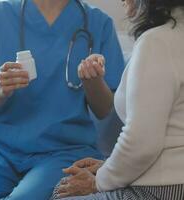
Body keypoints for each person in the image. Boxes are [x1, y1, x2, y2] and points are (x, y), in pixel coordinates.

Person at [0, 0, 124, 199]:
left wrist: (93, 80)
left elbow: (104, 110)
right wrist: (1, 90)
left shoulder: (99, 23)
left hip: (64, 151)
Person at [53, 0, 184, 199]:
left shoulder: (157, 42)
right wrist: (108, 165)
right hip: (167, 175)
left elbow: (142, 144)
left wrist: (99, 181)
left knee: (60, 193)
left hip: (163, 185)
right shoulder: (174, 36)